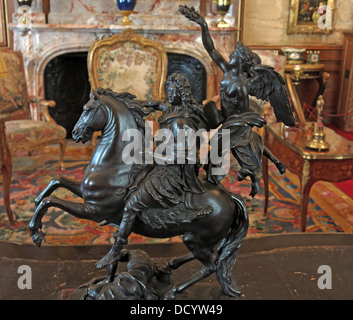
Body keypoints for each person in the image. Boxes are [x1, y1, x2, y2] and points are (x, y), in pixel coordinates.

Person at [96, 73, 208, 270]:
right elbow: (158, 104)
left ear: (182, 94)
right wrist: (131, 103)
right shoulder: (171, 108)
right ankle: (114, 213)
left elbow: (187, 157)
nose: (169, 95)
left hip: (172, 173)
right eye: (167, 91)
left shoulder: (183, 122)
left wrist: (155, 155)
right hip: (159, 163)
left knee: (132, 204)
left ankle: (115, 251)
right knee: (128, 179)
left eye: (173, 91)